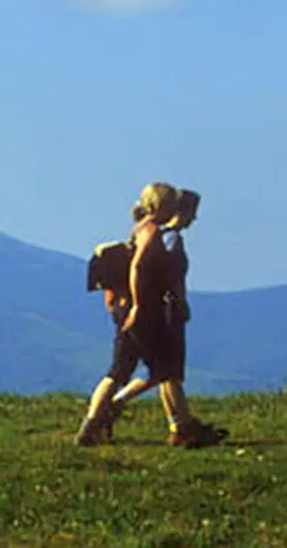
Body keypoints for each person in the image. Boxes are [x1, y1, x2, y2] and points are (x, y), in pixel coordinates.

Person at [74, 183, 222, 447]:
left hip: (129, 309)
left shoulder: (139, 230)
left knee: (121, 371)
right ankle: (183, 427)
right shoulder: (152, 232)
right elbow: (138, 267)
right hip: (144, 310)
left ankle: (92, 425)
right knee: (164, 370)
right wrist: (139, 306)